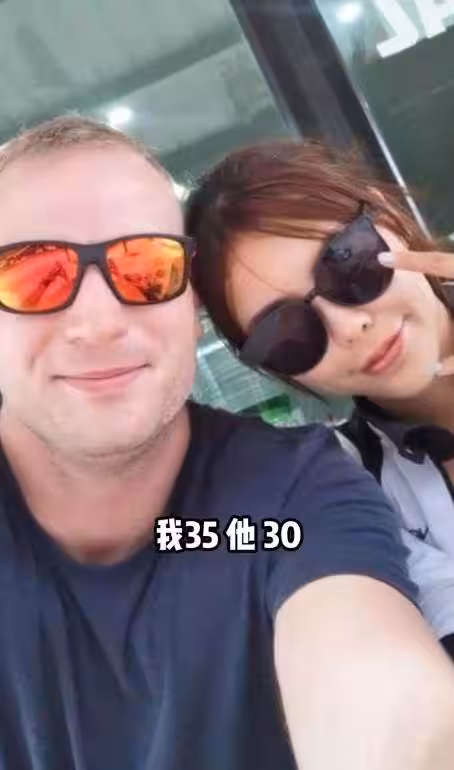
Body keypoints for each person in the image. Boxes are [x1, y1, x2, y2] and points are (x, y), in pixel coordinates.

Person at [0, 117, 453, 770]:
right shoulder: (347, 480)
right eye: (31, 275)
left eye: (147, 268)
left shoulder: (291, 498)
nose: (97, 323)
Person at [187, 138, 454, 660]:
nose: (349, 326)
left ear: (387, 214)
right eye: (287, 332)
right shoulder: (349, 487)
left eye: (349, 263)